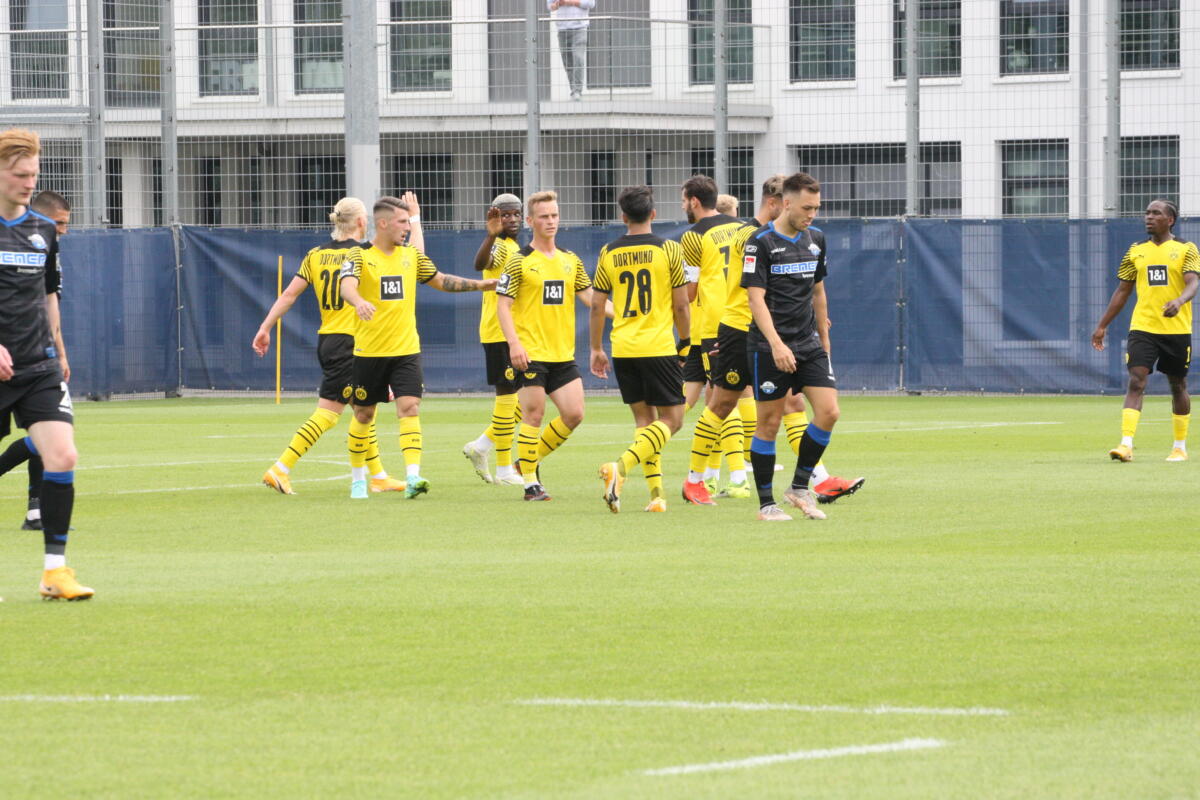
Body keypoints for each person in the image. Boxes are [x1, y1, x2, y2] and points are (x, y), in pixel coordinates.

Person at [684, 175, 865, 505]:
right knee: (723, 403)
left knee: (794, 403)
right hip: (741, 329)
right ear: (777, 202)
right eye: (802, 206)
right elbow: (751, 292)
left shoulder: (795, 238)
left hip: (774, 333)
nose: (808, 214)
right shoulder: (751, 238)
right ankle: (695, 479)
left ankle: (818, 479)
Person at [340, 196, 496, 499]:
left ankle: (413, 477)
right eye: (402, 222)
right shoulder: (359, 256)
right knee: (363, 415)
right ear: (383, 223)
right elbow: (347, 285)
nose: (406, 228)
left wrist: (481, 285)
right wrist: (359, 301)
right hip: (369, 352)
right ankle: (358, 480)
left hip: (406, 350)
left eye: (409, 222)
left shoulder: (411, 255)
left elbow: (441, 280)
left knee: (409, 407)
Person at [253, 197, 404, 496]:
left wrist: (265, 326)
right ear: (362, 222)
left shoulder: (316, 255)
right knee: (329, 412)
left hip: (329, 340)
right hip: (353, 342)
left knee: (364, 410)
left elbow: (289, 296)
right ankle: (281, 468)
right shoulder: (364, 255)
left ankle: (379, 476)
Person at [0, 129, 91, 599]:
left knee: (63, 454)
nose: (28, 182)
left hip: (38, 367)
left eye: (33, 174)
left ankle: (55, 572)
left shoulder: (42, 231)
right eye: (19, 174)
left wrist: (61, 350)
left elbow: (49, 296)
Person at [742, 172, 839, 522]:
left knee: (829, 412)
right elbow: (756, 300)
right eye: (806, 207)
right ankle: (766, 504)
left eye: (816, 208)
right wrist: (776, 344)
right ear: (786, 203)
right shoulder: (760, 242)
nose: (811, 214)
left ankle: (798, 487)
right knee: (768, 422)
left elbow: (818, 292)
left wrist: (824, 341)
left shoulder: (816, 239)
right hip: (770, 347)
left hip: (808, 343)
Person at [496, 190, 603, 501]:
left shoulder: (570, 260)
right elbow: (503, 306)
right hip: (529, 351)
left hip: (561, 353)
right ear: (530, 221)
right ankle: (531, 483)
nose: (551, 221)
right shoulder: (519, 261)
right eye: (544, 216)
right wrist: (514, 344)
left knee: (575, 413)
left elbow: (591, 300)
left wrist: (627, 313)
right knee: (533, 413)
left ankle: (524, 462)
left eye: (555, 215)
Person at [589, 185, 690, 513]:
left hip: (623, 347)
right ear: (654, 214)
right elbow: (681, 306)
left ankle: (657, 496)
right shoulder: (669, 250)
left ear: (623, 217)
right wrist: (686, 344)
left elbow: (596, 306)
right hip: (658, 347)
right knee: (673, 420)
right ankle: (620, 466)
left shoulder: (608, 252)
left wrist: (595, 348)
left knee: (645, 423)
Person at [1092, 199, 1200, 462]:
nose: (1148, 217)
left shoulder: (1186, 249)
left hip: (1176, 329)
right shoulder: (1135, 251)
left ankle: (1179, 446)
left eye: (1156, 213)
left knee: (1177, 385)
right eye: (1147, 212)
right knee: (1137, 380)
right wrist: (1102, 325)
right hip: (1143, 327)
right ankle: (1126, 445)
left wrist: (1179, 300)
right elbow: (1122, 290)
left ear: (1170, 220)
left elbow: (1193, 281)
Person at [0, 189, 71, 531]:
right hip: (7, 359)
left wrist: (59, 352)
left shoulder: (45, 245)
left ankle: (36, 512)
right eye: (59, 222)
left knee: (52, 437)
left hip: (39, 361)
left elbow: (48, 303)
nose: (63, 229)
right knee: (43, 439)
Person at [678, 174, 749, 506]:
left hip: (712, 326)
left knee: (723, 397)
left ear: (694, 201)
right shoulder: (742, 228)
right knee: (696, 400)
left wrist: (673, 298)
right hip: (739, 317)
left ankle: (738, 477)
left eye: (683, 201)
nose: (683, 207)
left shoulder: (692, 237)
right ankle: (708, 474)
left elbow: (689, 290)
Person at [462, 194, 525, 486]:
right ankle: (503, 469)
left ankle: (482, 446)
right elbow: (479, 264)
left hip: (517, 331)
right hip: (498, 331)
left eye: (516, 214)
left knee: (526, 400)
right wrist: (489, 237)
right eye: (505, 215)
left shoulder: (516, 247)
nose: (511, 219)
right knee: (508, 397)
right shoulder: (499, 246)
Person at [548, 0, 594, 100]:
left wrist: (569, 2)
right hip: (562, 29)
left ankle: (577, 91)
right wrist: (557, 4)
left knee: (578, 58)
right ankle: (574, 90)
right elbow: (550, 6)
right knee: (567, 62)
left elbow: (591, 3)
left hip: (579, 28)